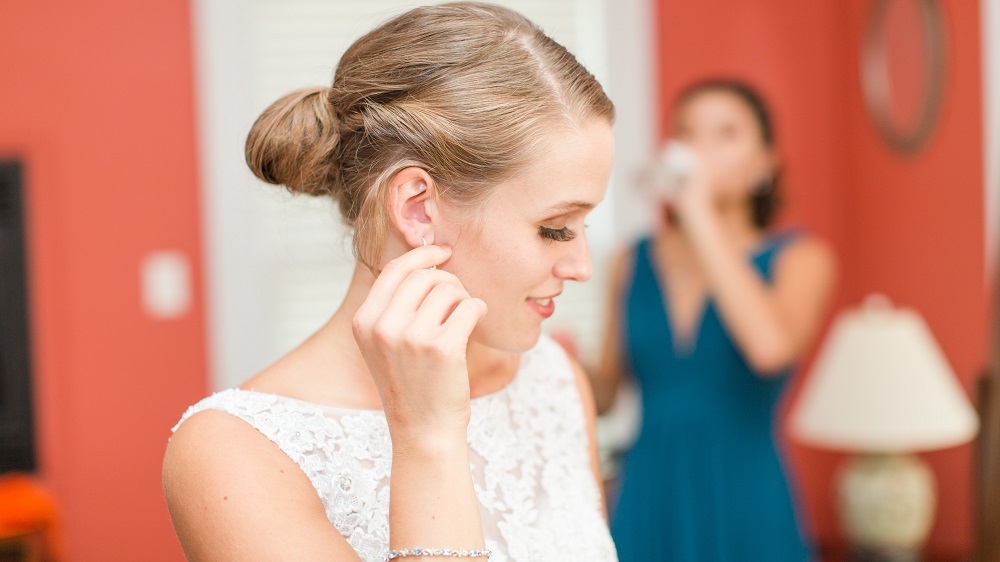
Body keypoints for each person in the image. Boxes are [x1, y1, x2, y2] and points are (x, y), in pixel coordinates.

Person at [162, 3, 618, 561]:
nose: (581, 266)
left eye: (583, 224)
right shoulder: (235, 454)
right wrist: (429, 438)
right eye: (555, 228)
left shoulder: (553, 382)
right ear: (418, 208)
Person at [593, 80, 836, 561]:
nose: (699, 148)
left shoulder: (801, 258)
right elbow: (604, 394)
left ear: (765, 166)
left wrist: (698, 213)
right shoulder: (631, 260)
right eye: (687, 131)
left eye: (725, 134)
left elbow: (769, 350)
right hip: (647, 493)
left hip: (745, 493)